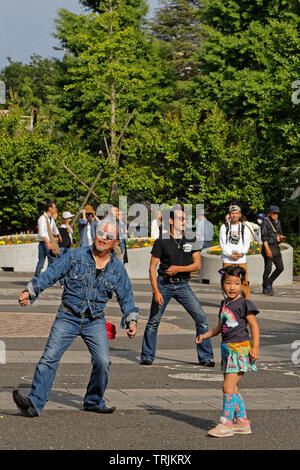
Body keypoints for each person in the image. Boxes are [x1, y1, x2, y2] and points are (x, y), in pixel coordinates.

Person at [13, 217, 139, 418]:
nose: (103, 238)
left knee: (103, 362)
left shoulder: (117, 269)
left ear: (116, 242)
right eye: (100, 233)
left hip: (94, 320)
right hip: (68, 316)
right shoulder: (75, 255)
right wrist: (30, 291)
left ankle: (93, 401)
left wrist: (131, 320)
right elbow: (51, 273)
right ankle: (34, 404)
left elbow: (126, 296)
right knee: (49, 358)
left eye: (109, 236)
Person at [140, 207, 215, 367]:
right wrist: (156, 291)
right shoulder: (162, 240)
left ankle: (206, 357)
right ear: (172, 221)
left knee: (201, 317)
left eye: (185, 218)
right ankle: (147, 356)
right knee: (153, 321)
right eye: (181, 218)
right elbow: (152, 267)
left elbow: (197, 265)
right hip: (164, 284)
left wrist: (179, 269)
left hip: (182, 285)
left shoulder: (191, 238)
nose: (184, 221)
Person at [196, 265, 259, 437]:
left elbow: (254, 326)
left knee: (227, 386)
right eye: (228, 283)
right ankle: (243, 422)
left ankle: (226, 423)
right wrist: (205, 336)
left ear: (243, 285)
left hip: (240, 350)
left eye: (237, 283)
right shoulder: (224, 304)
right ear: (222, 283)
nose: (232, 287)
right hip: (227, 350)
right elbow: (219, 327)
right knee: (233, 388)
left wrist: (255, 347)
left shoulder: (244, 304)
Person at [219, 205, 251, 299]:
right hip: (228, 259)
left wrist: (242, 253)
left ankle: (246, 301)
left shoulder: (244, 227)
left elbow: (247, 243)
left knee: (244, 282)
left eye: (236, 213)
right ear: (229, 215)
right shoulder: (224, 227)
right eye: (232, 213)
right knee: (227, 281)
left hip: (241, 260)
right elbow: (222, 244)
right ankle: (228, 301)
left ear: (240, 215)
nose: (234, 215)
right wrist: (230, 254)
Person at [261, 205, 286, 296]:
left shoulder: (278, 222)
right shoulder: (265, 222)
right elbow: (264, 237)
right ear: (270, 213)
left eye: (277, 213)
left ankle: (268, 282)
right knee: (268, 269)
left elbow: (279, 234)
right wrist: (267, 249)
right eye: (274, 213)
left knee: (280, 267)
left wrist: (281, 237)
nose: (276, 215)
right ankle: (266, 288)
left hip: (276, 247)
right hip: (268, 247)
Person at [34, 201, 60, 277]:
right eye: (54, 207)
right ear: (49, 208)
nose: (55, 209)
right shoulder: (42, 218)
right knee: (41, 262)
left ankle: (48, 278)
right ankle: (36, 278)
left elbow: (55, 229)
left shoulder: (51, 219)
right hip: (44, 243)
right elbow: (42, 233)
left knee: (52, 261)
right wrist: (48, 243)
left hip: (50, 243)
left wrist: (59, 236)